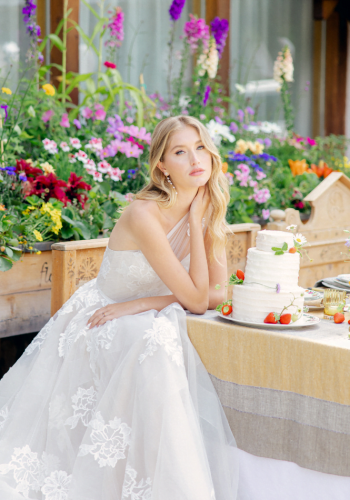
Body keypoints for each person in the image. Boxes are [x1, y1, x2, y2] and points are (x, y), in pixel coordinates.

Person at [0, 116, 239, 500]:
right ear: (162, 165)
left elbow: (215, 295)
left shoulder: (207, 209)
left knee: (158, 332)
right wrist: (194, 226)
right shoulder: (144, 214)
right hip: (102, 315)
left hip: (140, 311)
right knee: (157, 342)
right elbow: (196, 300)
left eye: (199, 147)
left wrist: (151, 299)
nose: (195, 158)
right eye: (180, 151)